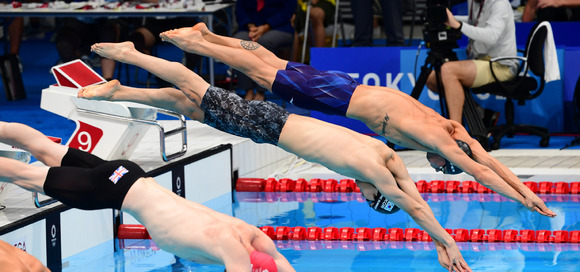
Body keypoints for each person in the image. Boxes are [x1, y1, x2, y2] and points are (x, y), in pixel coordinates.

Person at [86, 41, 473, 272]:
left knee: (192, 107)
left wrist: (437, 237)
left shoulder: (386, 156)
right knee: (195, 89)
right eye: (368, 198)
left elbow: (413, 195)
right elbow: (413, 206)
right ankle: (131, 55)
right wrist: (446, 243)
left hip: (277, 122)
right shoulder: (369, 169)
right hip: (271, 127)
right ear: (375, 195)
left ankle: (119, 91)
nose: (361, 194)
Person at [0, 121, 364, 272]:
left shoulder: (252, 236)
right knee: (22, 175)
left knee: (45, 148)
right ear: (246, 271)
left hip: (130, 174)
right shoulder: (233, 254)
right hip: (111, 191)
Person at [155, 24, 556, 218]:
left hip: (350, 86)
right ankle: (198, 43)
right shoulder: (444, 143)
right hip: (341, 98)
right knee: (264, 74)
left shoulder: (454, 128)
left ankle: (209, 34)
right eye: (443, 167)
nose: (436, 166)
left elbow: (488, 159)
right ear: (444, 159)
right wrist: (524, 199)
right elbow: (480, 171)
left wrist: (526, 190)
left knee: (270, 62)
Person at [425, 1, 517, 125]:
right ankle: (480, 113)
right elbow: (474, 21)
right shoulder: (474, 1)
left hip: (501, 65)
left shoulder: (499, 4)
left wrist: (459, 25)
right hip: (482, 60)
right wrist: (448, 18)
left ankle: (456, 131)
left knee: (448, 70)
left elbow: (491, 36)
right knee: (432, 78)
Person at [233, 0, 296, 101]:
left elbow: (288, 10)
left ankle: (261, 91)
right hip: (249, 28)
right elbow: (240, 8)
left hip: (279, 27)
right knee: (240, 42)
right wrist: (251, 26)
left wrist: (266, 27)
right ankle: (248, 91)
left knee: (264, 42)